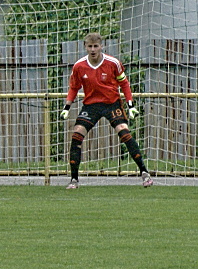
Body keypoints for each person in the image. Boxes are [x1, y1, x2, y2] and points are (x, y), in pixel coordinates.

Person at [60, 32, 153, 189]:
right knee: (77, 134)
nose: (93, 49)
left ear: (101, 46)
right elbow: (74, 88)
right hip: (91, 106)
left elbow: (124, 84)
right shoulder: (79, 66)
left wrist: (131, 105)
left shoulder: (113, 63)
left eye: (95, 46)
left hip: (112, 103)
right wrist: (66, 107)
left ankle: (144, 173)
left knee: (124, 131)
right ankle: (74, 180)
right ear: (85, 47)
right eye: (90, 46)